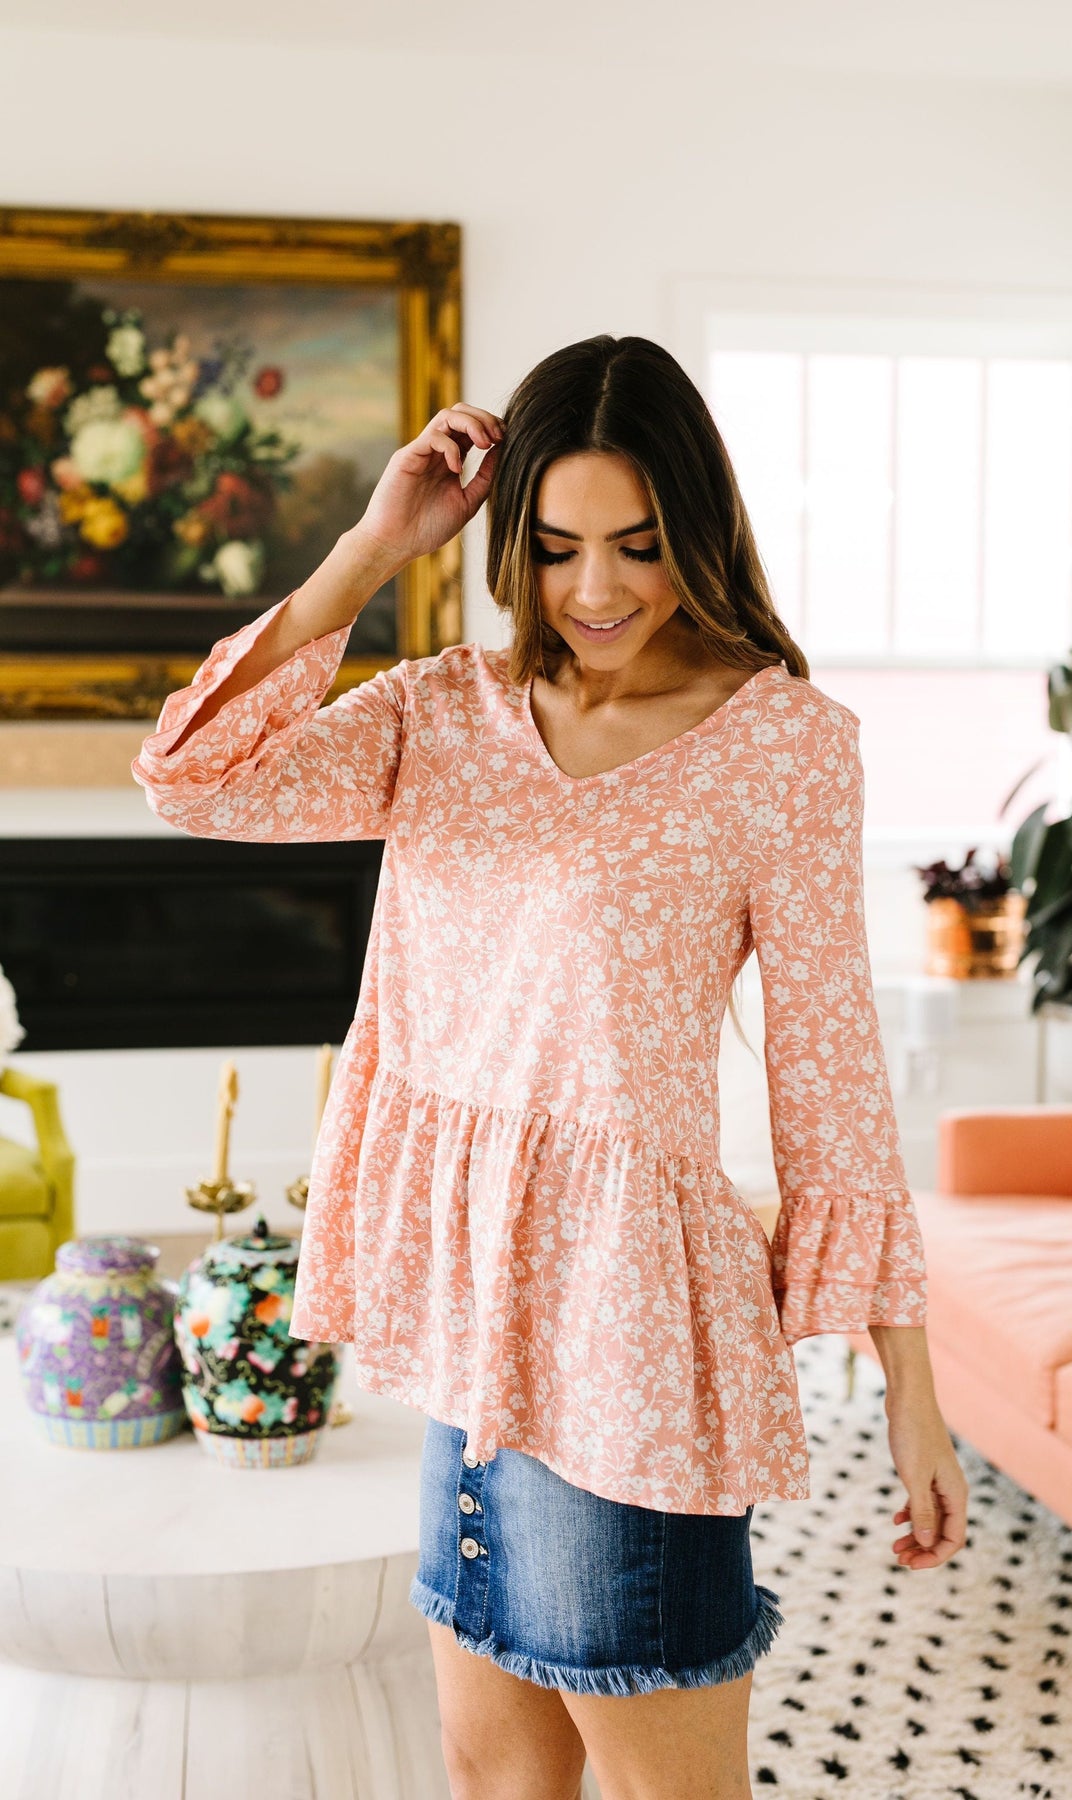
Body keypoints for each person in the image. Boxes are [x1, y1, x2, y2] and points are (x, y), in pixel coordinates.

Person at [132, 334, 968, 1800]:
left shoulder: (781, 747)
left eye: (639, 546)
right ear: (511, 540)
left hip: (627, 1334)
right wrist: (373, 548)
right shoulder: (442, 711)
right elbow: (195, 778)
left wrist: (912, 1382)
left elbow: (830, 1073)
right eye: (560, 546)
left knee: (659, 1783)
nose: (596, 591)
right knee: (494, 1771)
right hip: (473, 1320)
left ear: (699, 528)